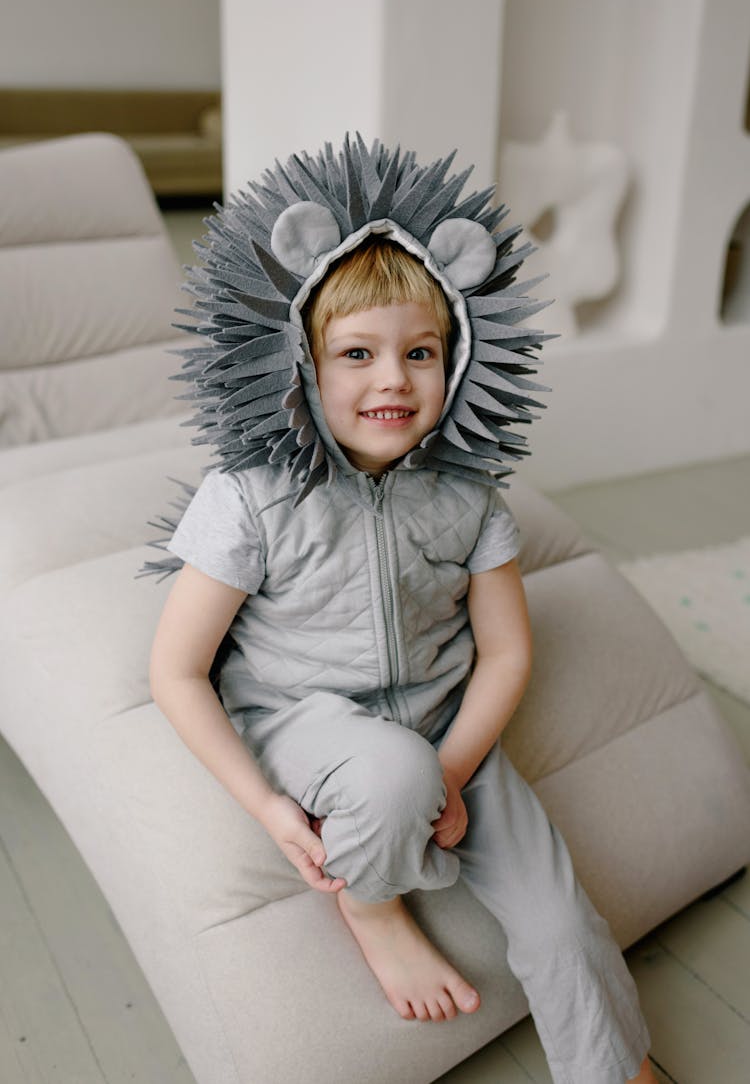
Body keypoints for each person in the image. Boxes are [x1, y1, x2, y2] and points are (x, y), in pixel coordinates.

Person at [148, 138, 657, 1084]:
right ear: (295, 360)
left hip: (439, 719)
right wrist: (266, 804)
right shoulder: (253, 496)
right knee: (386, 774)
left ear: (456, 362)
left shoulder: (467, 497)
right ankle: (371, 904)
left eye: (420, 352)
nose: (393, 380)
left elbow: (504, 652)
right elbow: (176, 671)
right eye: (356, 354)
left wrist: (455, 768)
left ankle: (619, 1071)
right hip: (305, 716)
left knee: (557, 914)